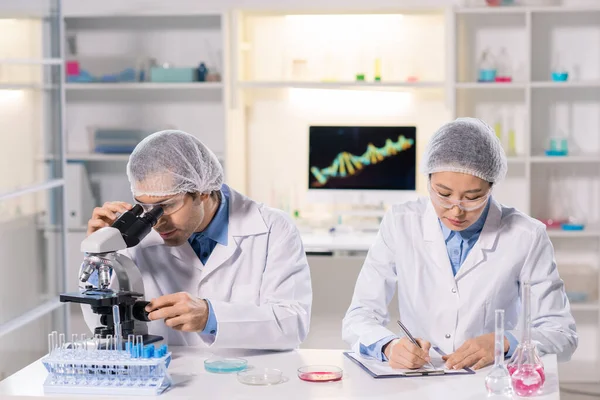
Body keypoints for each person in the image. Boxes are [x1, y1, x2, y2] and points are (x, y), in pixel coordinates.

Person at [342, 118, 577, 370]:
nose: (456, 210)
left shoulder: (527, 235)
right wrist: (388, 346)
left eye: (473, 197)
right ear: (428, 180)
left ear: (491, 186)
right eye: (443, 194)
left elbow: (562, 334)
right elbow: (359, 316)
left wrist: (504, 342)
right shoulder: (400, 222)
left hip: (491, 380)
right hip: (420, 378)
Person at [82, 130, 312, 350]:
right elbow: (101, 325)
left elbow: (292, 325)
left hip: (248, 377)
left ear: (203, 190)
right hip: (170, 376)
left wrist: (211, 317)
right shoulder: (134, 236)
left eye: (167, 206)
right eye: (144, 206)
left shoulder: (273, 228)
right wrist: (99, 256)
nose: (157, 221)